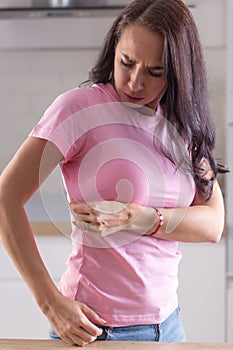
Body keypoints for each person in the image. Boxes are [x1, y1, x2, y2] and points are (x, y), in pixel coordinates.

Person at [0, 0, 227, 347]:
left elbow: (213, 224)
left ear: (179, 70)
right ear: (114, 51)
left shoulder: (183, 125)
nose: (135, 82)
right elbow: (6, 198)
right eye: (127, 62)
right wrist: (50, 303)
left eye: (155, 71)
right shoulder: (80, 109)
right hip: (95, 330)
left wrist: (140, 218)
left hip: (168, 327)